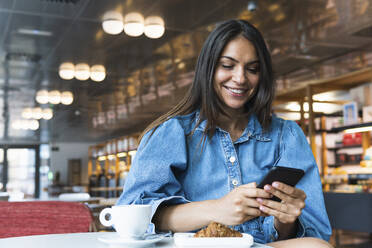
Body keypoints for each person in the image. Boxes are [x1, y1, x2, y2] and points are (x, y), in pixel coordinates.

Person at [117, 19, 333, 248]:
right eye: (227, 65)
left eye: (252, 69)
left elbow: (315, 233)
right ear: (208, 68)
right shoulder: (172, 133)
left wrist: (285, 220)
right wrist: (217, 209)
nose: (240, 78)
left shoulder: (287, 135)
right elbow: (129, 215)